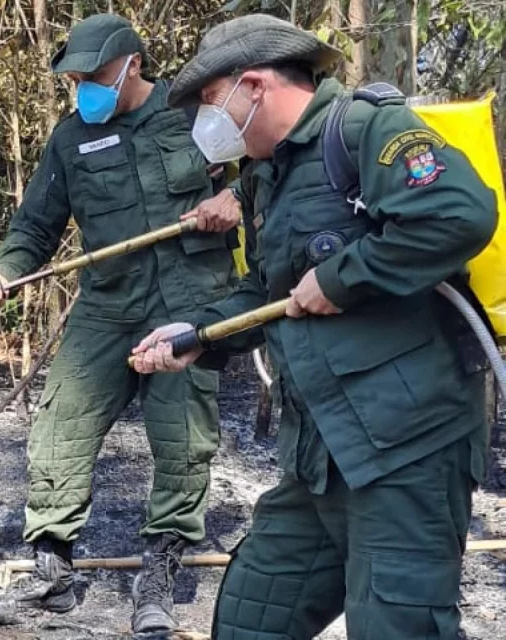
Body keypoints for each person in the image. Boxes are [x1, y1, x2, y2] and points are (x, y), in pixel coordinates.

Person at [131, 14, 498, 639]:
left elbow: (459, 213)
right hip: (320, 457)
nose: (204, 124)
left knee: (398, 627)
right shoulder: (267, 176)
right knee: (253, 618)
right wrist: (197, 334)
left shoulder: (364, 128)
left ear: (254, 86)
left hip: (405, 449)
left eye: (210, 102)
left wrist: (342, 277)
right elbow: (268, 292)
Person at [0, 13, 242, 633]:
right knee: (60, 421)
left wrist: (236, 198)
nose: (84, 88)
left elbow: (271, 169)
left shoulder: (199, 112)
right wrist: (0, 273)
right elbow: (34, 226)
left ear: (134, 66)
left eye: (95, 76)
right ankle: (54, 569)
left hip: (189, 301)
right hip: (108, 304)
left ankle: (160, 575)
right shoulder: (70, 140)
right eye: (77, 79)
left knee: (182, 442)